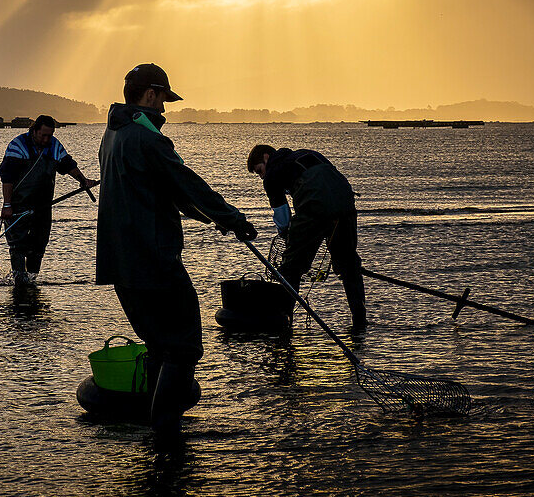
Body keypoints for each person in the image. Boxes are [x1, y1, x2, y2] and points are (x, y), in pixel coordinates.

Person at [97, 64, 257, 441]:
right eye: (164, 100)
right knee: (184, 347)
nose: (165, 111)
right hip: (153, 262)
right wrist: (231, 217)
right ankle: (166, 435)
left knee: (159, 346)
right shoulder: (147, 138)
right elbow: (187, 186)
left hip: (120, 265)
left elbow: (169, 193)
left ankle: (157, 446)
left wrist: (214, 218)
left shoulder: (111, 135)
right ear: (150, 95)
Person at [247, 144, 367, 330]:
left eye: (259, 171)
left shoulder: (272, 174)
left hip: (314, 206)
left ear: (266, 157)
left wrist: (287, 235)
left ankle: (283, 320)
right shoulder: (309, 154)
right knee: (349, 265)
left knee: (291, 268)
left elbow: (282, 215)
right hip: (346, 203)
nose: (262, 176)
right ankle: (360, 320)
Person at [0, 114, 97, 286]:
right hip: (18, 205)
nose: (46, 139)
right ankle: (20, 282)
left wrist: (83, 180)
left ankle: (32, 282)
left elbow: (68, 165)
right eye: (43, 135)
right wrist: (7, 205)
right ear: (34, 130)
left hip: (43, 206)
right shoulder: (18, 146)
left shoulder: (54, 146)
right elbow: (7, 178)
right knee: (18, 247)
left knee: (38, 247)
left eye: (49, 135)